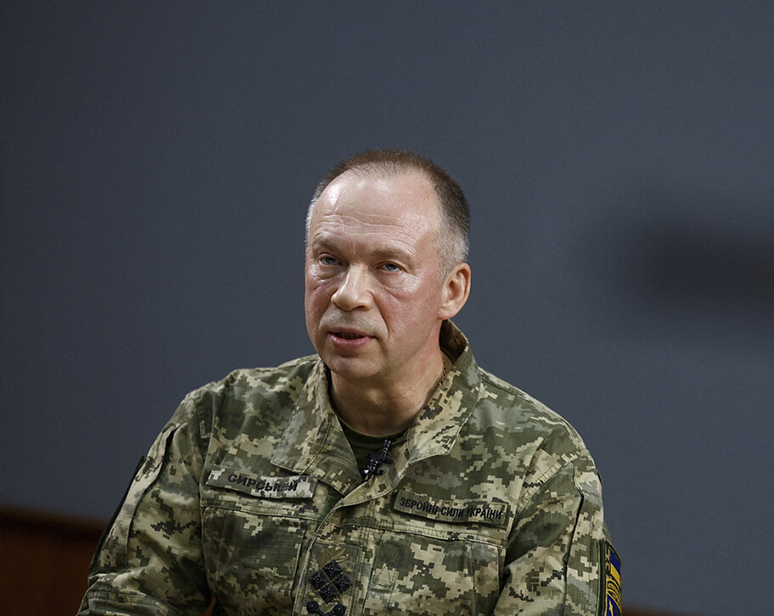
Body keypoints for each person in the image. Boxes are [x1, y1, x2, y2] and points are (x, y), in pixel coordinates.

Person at [79, 149, 621, 616]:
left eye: (388, 267)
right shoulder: (220, 420)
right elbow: (126, 602)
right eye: (329, 260)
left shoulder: (540, 462)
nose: (348, 294)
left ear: (451, 291)